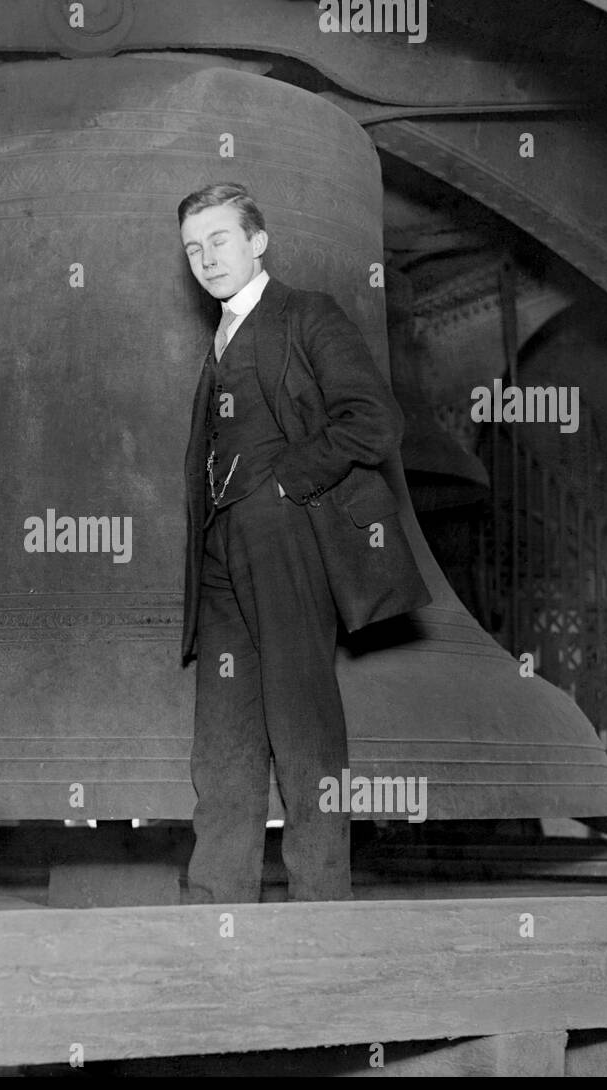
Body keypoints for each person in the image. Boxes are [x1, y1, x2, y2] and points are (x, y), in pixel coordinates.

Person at [177, 182, 424, 904]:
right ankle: (217, 904)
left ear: (258, 241)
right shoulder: (216, 343)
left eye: (219, 239)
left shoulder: (306, 315)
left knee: (303, 721)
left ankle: (321, 903)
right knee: (221, 738)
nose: (205, 258)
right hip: (221, 552)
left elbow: (374, 420)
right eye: (193, 248)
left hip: (286, 538)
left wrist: (289, 481)